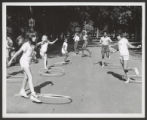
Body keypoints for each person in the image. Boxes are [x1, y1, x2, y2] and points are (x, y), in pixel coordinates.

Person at [8, 37, 41, 103]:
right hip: (23, 62)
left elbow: (32, 54)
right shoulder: (26, 45)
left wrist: (35, 59)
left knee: (26, 77)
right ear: (30, 38)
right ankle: (33, 94)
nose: (35, 37)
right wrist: (11, 60)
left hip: (27, 62)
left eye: (35, 36)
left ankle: (22, 91)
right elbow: (18, 52)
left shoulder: (33, 44)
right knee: (30, 76)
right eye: (33, 36)